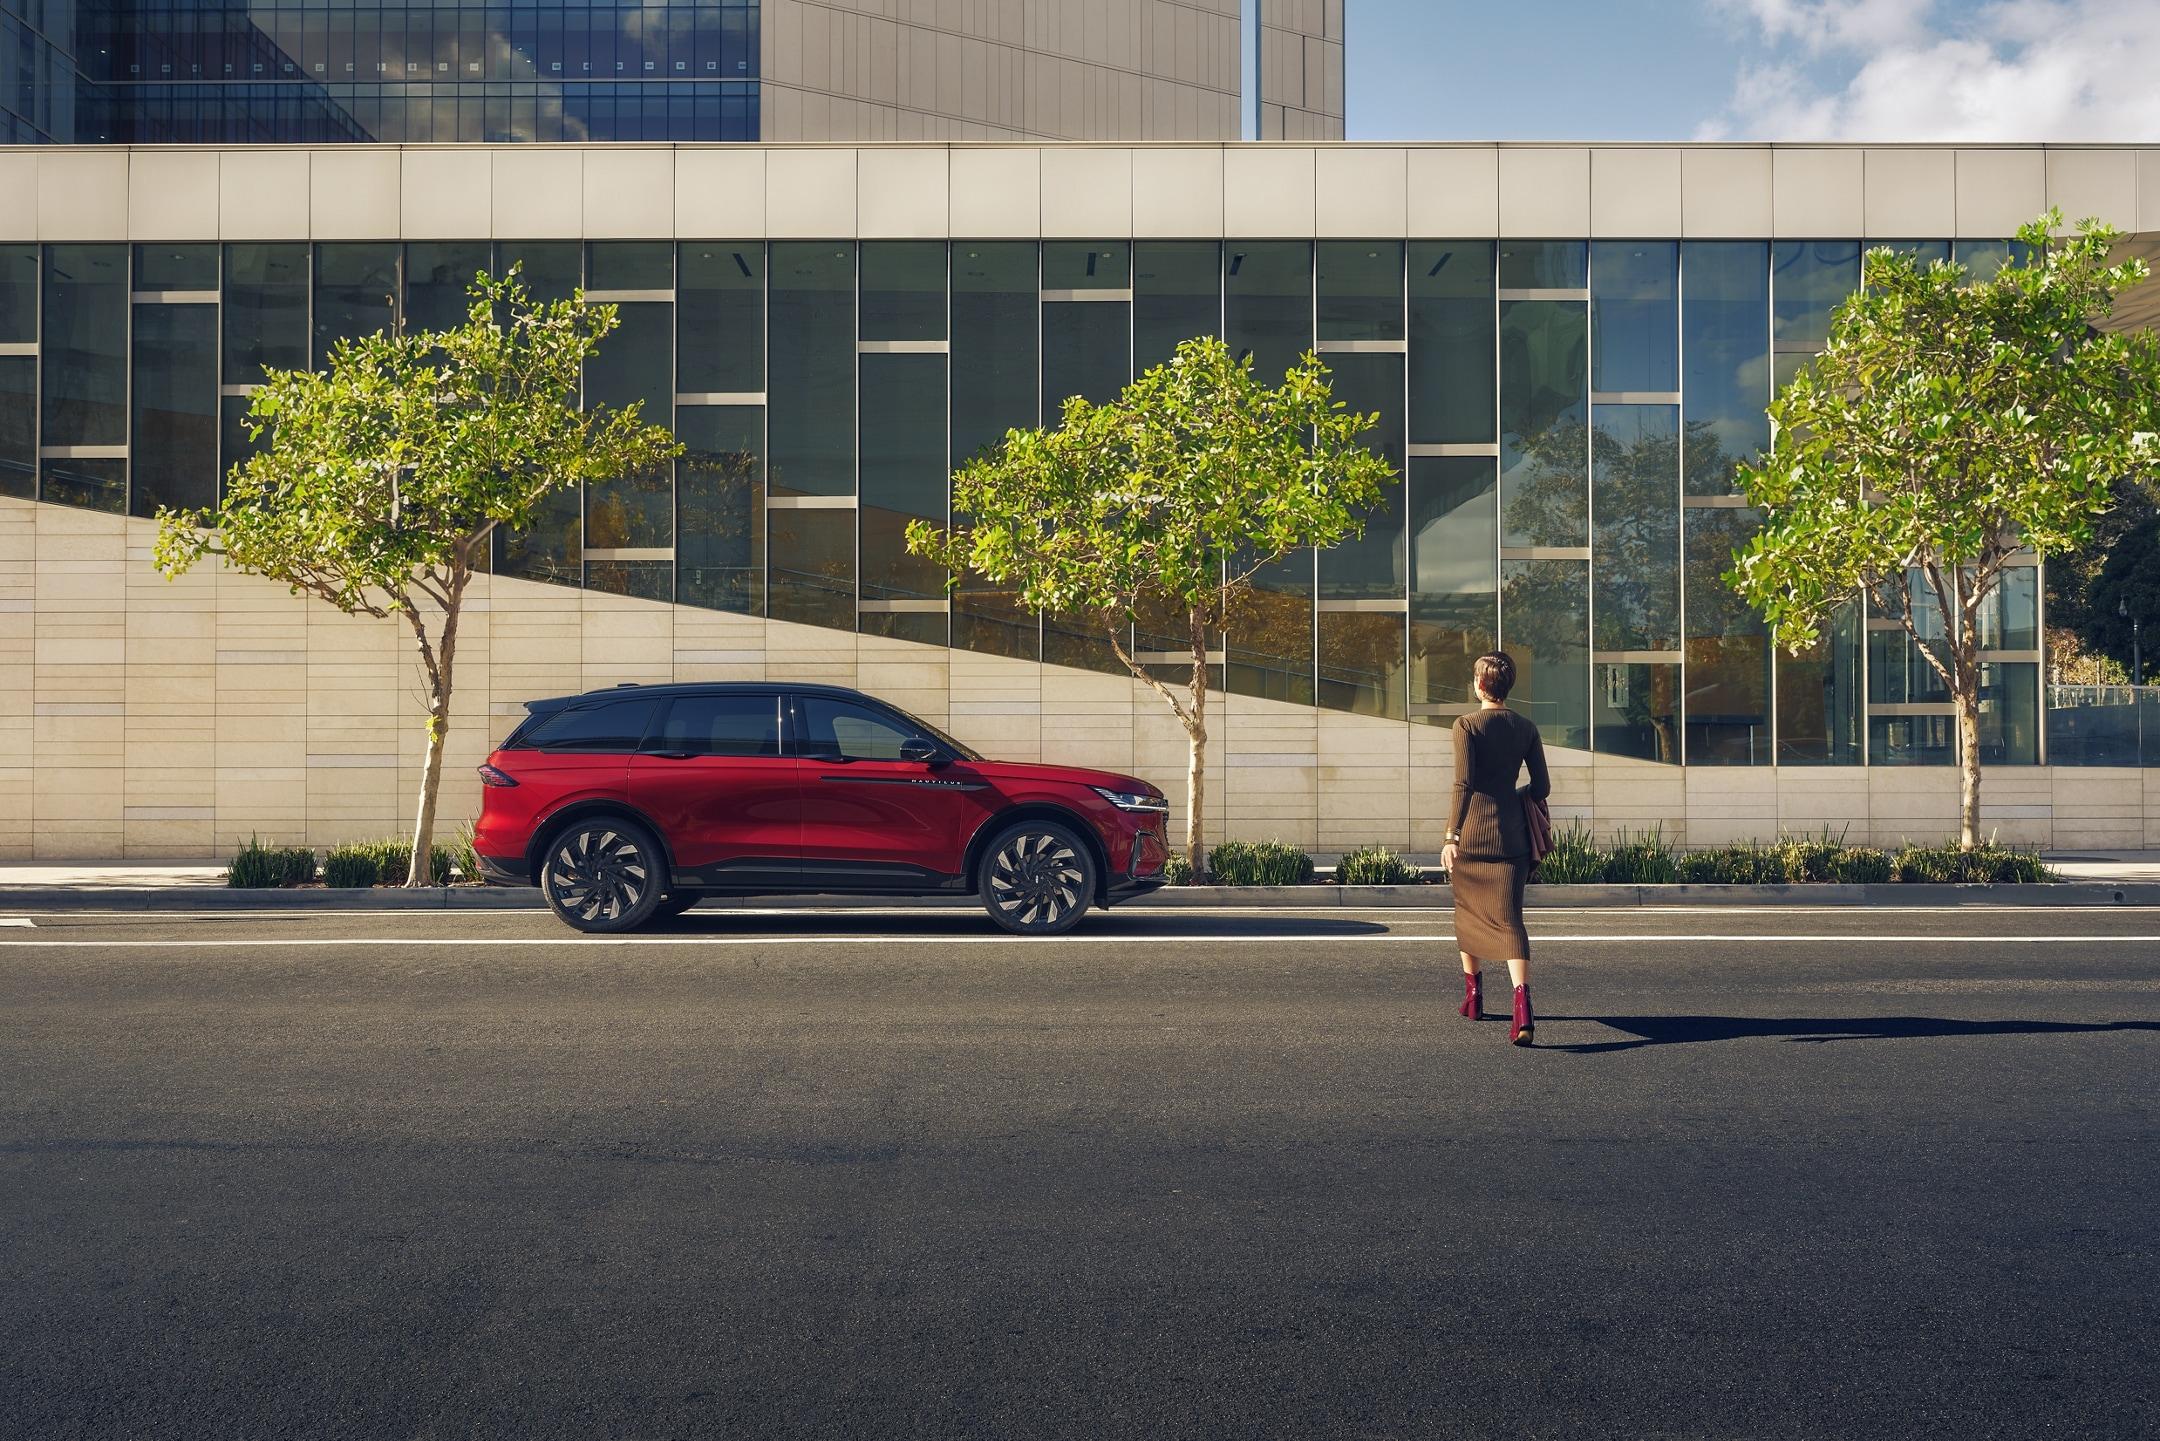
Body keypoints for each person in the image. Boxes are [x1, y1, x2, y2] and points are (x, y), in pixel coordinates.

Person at [1439, 652, 1551, 1046]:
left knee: (1468, 913)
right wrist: (1514, 794)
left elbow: (1463, 784)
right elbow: (1541, 788)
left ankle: (1474, 997)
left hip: (1472, 836)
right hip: (1512, 839)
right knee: (1511, 921)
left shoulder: (1466, 725)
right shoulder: (1526, 727)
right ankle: (1522, 1007)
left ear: (1480, 685)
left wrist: (1451, 835)